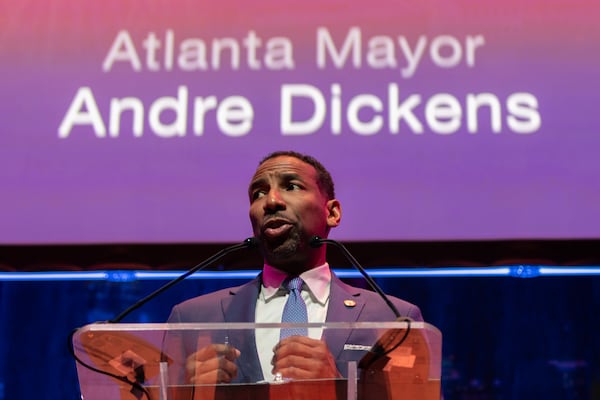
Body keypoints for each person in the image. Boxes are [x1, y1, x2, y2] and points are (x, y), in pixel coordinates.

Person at [166, 150, 423, 385]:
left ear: (332, 212)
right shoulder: (192, 319)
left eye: (291, 186)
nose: (271, 201)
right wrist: (185, 393)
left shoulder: (393, 320)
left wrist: (335, 388)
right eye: (259, 193)